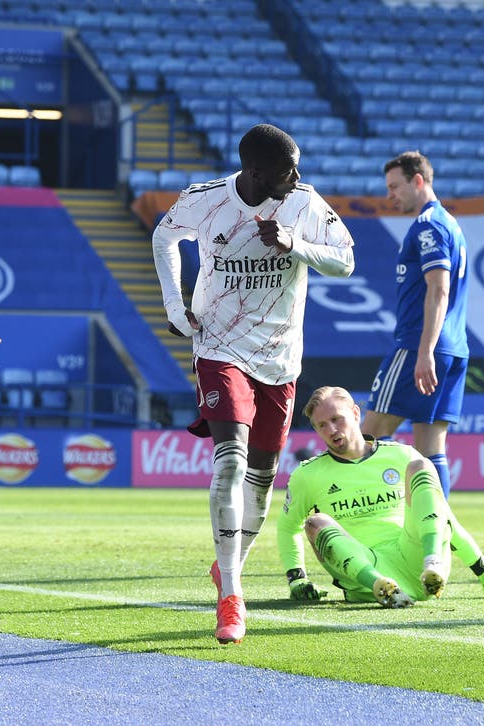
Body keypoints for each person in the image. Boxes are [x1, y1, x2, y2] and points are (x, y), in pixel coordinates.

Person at [152, 124, 355, 644]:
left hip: (280, 358)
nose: (298, 177)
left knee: (262, 478)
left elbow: (346, 260)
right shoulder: (205, 200)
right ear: (256, 172)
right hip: (218, 345)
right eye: (289, 170)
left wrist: (296, 244)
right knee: (232, 460)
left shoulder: (304, 203)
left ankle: (229, 565)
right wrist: (176, 305)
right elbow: (164, 235)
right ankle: (231, 597)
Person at [278, 386, 484, 607]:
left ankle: (433, 561)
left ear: (355, 413)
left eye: (336, 419)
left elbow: (445, 519)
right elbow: (289, 528)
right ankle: (381, 587)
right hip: (365, 574)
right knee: (315, 523)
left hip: (415, 559)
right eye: (322, 425)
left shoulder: (401, 455)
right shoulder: (307, 475)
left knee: (421, 465)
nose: (331, 430)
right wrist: (297, 579)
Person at [362, 151, 468, 499]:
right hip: (453, 346)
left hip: (418, 345)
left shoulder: (428, 225)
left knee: (365, 436)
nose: (390, 195)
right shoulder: (451, 224)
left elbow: (439, 289)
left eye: (395, 186)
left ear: (418, 181)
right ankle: (438, 531)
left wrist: (423, 352)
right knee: (430, 448)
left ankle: (353, 518)